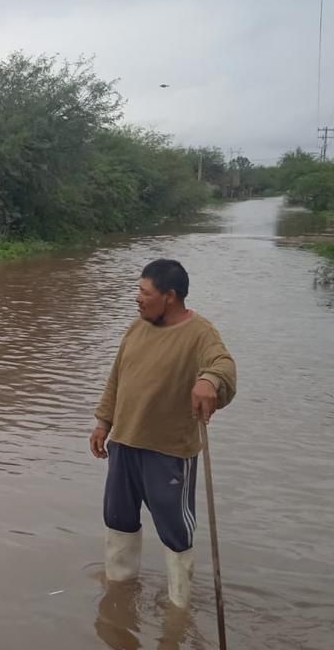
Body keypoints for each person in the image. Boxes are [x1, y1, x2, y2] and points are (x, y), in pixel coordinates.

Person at [89, 259, 236, 608]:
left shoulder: (200, 332)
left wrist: (208, 380)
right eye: (138, 291)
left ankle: (179, 610)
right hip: (124, 443)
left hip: (169, 451)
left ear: (169, 297)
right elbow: (116, 378)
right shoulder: (136, 328)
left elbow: (223, 365)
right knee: (118, 521)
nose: (137, 299)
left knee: (176, 532)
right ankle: (119, 597)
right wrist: (102, 422)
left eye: (145, 293)